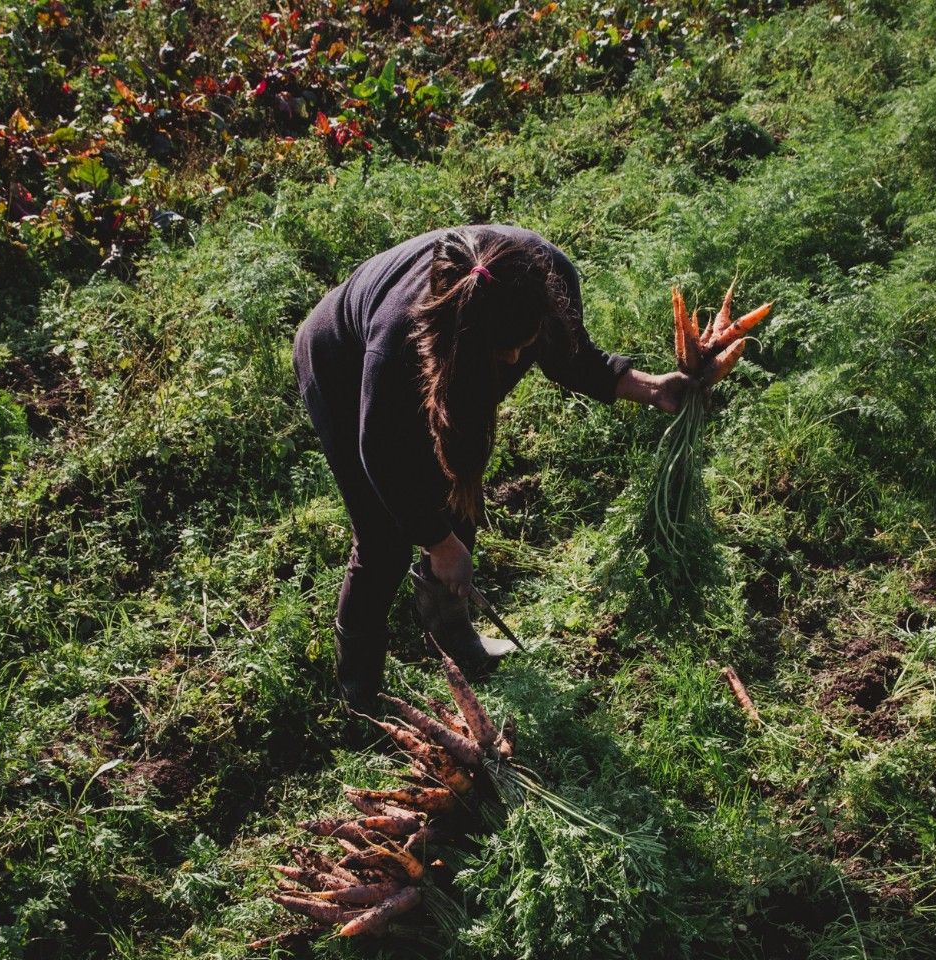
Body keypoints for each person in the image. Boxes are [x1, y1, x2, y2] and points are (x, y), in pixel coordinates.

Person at [294, 224, 691, 708]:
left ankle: (456, 643)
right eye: (503, 350)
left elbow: (572, 359)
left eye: (525, 345)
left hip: (440, 351)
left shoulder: (546, 279)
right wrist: (438, 543)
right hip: (339, 360)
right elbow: (380, 452)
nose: (514, 359)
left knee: (458, 486)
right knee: (383, 541)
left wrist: (652, 389)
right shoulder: (401, 336)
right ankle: (360, 697)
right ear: (464, 332)